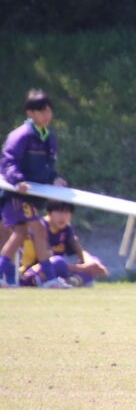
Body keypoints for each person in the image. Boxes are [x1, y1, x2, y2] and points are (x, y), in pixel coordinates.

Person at [0, 90, 67, 288]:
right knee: (37, 230)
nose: (46, 115)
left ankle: (5, 274)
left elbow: (48, 167)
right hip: (17, 194)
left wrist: (55, 178)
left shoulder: (49, 137)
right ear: (30, 113)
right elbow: (8, 161)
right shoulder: (21, 135)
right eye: (41, 111)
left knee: (23, 233)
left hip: (32, 195)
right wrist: (18, 181)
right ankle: (50, 279)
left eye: (48, 111)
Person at [19, 201, 110, 288]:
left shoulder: (66, 228)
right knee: (59, 262)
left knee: (95, 260)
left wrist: (92, 263)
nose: (62, 217)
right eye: (59, 212)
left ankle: (71, 282)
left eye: (66, 213)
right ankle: (73, 281)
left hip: (58, 271)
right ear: (49, 213)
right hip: (32, 272)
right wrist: (83, 269)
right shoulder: (41, 227)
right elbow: (46, 261)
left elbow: (78, 250)